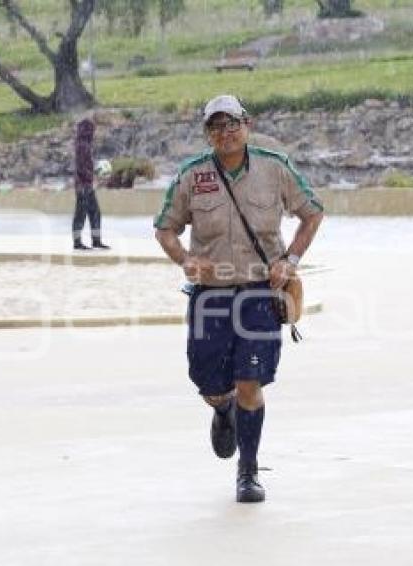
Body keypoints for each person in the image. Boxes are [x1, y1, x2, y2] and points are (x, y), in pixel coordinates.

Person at [153, 94, 324, 503]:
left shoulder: (274, 167)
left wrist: (291, 259)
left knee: (251, 382)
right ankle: (221, 407)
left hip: (257, 294)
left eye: (232, 124)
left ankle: (247, 472)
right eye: (216, 126)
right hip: (210, 297)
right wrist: (186, 260)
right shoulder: (192, 176)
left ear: (247, 124)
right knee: (208, 379)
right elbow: (165, 229)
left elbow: (312, 212)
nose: (225, 133)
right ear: (207, 133)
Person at [72, 117, 110, 250]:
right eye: (91, 130)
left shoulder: (83, 144)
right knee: (82, 214)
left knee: (93, 213)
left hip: (84, 185)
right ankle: (79, 242)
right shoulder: (82, 146)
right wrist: (92, 177)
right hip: (83, 186)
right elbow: (81, 168)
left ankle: (95, 241)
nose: (93, 133)